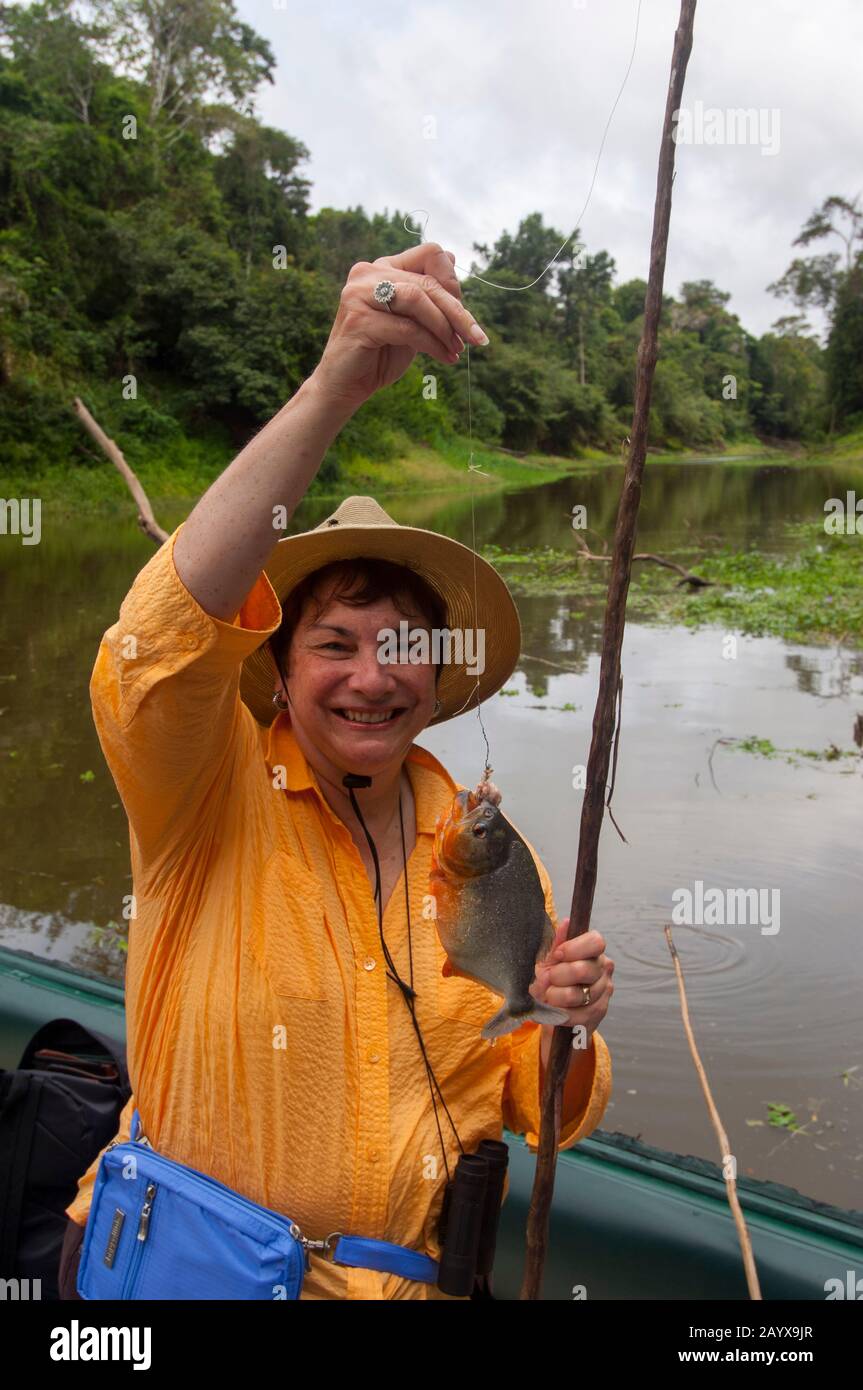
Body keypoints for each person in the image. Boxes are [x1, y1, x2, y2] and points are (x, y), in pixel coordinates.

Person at [62, 242, 614, 1301]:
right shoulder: (201, 786)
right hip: (190, 1275)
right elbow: (155, 646)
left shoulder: (490, 859)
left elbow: (543, 1114)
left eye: (404, 644)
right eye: (335, 642)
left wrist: (566, 1021)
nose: (374, 677)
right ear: (275, 658)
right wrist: (334, 382)